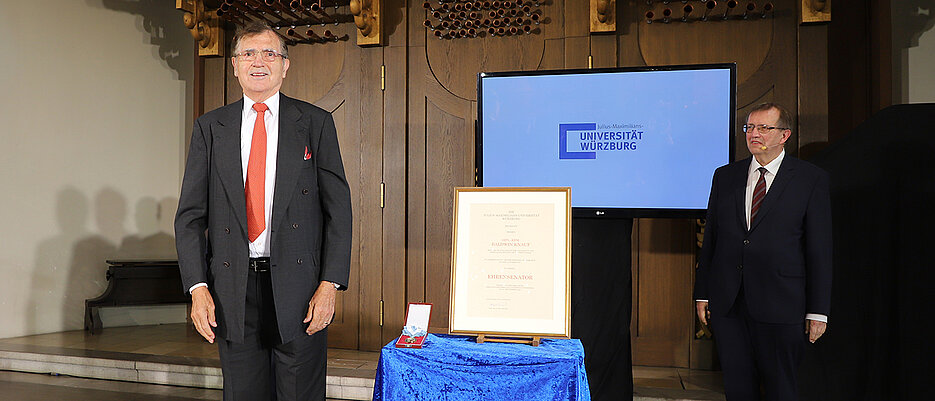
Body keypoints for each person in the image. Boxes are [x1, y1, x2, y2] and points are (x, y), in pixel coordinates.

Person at [175, 22, 351, 401]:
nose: (259, 62)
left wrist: (330, 284)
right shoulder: (209, 128)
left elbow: (339, 211)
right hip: (231, 290)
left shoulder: (315, 123)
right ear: (235, 66)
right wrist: (197, 288)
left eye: (270, 53)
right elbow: (190, 217)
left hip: (301, 289)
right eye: (248, 54)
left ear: (285, 66)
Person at [694, 103, 831, 401]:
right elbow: (712, 240)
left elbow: (819, 250)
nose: (754, 134)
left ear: (784, 135)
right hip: (730, 303)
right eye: (750, 128)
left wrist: (818, 310)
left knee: (782, 388)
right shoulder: (725, 176)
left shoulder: (810, 179)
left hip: (782, 304)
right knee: (737, 387)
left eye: (763, 128)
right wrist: (702, 293)